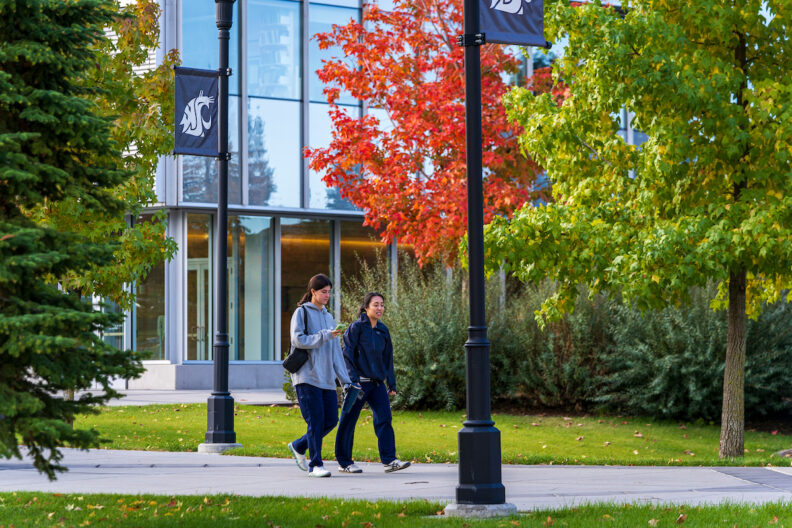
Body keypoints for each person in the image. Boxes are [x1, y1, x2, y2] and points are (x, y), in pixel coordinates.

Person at [334, 291, 411, 474]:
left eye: (382, 304)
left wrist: (391, 383)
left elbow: (387, 358)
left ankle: (390, 460)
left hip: (377, 384)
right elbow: (347, 355)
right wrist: (352, 381)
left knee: (384, 418)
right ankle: (344, 462)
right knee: (348, 421)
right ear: (366, 307)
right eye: (375, 304)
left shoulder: (383, 330)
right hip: (358, 384)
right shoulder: (356, 328)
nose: (379, 308)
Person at [287, 273, 352, 478]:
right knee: (315, 421)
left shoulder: (329, 317)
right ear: (313, 292)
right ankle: (315, 465)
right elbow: (298, 340)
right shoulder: (301, 313)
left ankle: (299, 446)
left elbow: (335, 353)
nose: (327, 296)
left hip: (326, 379)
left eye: (329, 292)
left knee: (331, 420)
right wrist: (325, 336)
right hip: (307, 376)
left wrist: (345, 380)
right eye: (323, 292)